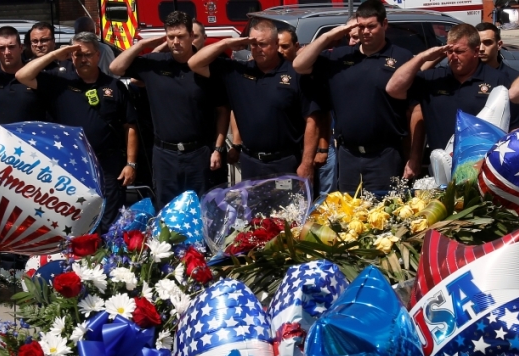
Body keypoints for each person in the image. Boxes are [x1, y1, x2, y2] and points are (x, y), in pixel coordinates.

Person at [16, 32, 138, 231]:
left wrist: (130, 163)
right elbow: (22, 75)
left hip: (109, 165)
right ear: (71, 56)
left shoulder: (113, 86)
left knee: (111, 222)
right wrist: (55, 55)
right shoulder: (59, 81)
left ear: (98, 55)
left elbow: (130, 126)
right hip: (73, 167)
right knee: (76, 221)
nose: (83, 59)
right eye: (78, 55)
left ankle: (110, 259)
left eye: (88, 54)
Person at [294, 0, 415, 195]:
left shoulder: (402, 57)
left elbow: (413, 110)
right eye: (361, 26)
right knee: (349, 219)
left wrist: (413, 157)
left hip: (385, 156)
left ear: (384, 24)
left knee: (386, 218)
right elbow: (299, 65)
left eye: (371, 26)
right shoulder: (339, 57)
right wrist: (333, 34)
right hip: (348, 155)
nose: (365, 32)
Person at [109, 11, 227, 207]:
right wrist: (141, 45)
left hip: (199, 152)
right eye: (171, 37)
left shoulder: (206, 67)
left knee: (202, 209)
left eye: (181, 36)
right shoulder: (155, 64)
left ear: (191, 36)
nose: (175, 42)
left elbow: (223, 109)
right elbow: (115, 68)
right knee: (166, 208)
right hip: (165, 155)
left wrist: (218, 148)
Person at [189, 17, 318, 180]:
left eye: (263, 44)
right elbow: (195, 63)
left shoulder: (295, 73)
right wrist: (226, 43)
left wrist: (306, 164)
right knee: (253, 206)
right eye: (254, 44)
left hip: (285, 162)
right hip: (251, 163)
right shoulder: (238, 72)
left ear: (276, 44)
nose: (257, 49)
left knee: (287, 206)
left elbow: (312, 121)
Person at [387, 23, 517, 154]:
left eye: (460, 51)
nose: (453, 57)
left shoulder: (498, 81)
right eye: (450, 51)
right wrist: (422, 57)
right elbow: (393, 88)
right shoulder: (433, 79)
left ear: (476, 51)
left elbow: (515, 128)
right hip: (440, 166)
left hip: (482, 167)